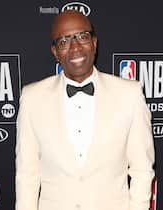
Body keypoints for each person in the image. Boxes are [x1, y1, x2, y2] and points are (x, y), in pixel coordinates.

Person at [15, 10, 155, 210]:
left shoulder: (129, 95)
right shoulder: (32, 98)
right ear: (55, 52)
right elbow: (26, 174)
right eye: (64, 41)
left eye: (82, 36)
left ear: (94, 42)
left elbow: (142, 169)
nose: (75, 47)